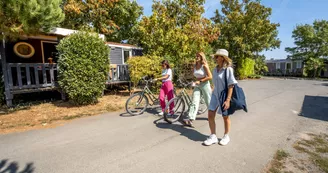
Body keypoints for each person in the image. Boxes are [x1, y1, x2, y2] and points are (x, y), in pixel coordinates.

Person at [203, 49, 238, 146]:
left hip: (224, 95)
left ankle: (226, 136)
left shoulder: (228, 70)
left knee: (225, 116)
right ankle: (213, 136)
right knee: (210, 114)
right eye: (216, 56)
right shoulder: (215, 70)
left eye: (218, 56)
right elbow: (215, 82)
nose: (216, 58)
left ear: (223, 58)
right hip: (215, 94)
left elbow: (231, 85)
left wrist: (228, 100)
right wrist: (213, 88)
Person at [182, 52, 212, 127]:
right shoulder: (195, 66)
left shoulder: (204, 66)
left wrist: (200, 81)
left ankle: (211, 116)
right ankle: (190, 119)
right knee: (194, 101)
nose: (197, 57)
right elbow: (193, 75)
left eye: (198, 56)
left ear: (202, 57)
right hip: (197, 85)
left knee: (208, 101)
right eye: (196, 56)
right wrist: (191, 80)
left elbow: (210, 76)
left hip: (205, 84)